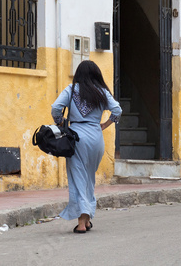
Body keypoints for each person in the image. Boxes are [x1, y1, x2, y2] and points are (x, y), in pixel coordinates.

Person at [51, 60, 122, 234]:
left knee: (78, 178)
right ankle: (88, 218)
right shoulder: (102, 92)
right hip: (96, 139)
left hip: (76, 138)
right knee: (89, 177)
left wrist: (61, 124)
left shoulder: (71, 89)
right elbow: (117, 110)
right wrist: (104, 125)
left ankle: (81, 223)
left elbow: (55, 108)